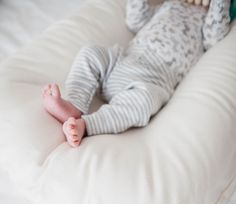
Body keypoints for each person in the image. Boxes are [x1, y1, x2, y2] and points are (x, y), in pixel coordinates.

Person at [42, 0, 231, 147]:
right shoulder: (167, 6)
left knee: (144, 102)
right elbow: (135, 20)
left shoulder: (207, 24)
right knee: (90, 52)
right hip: (123, 60)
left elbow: (215, 36)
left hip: (152, 80)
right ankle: (74, 104)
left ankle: (88, 125)